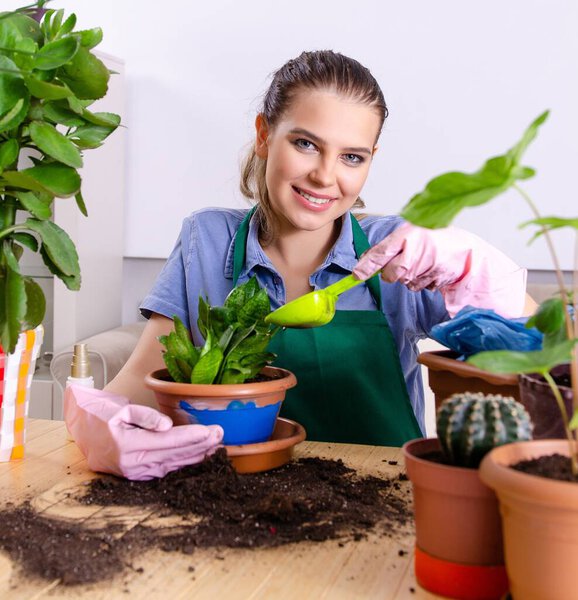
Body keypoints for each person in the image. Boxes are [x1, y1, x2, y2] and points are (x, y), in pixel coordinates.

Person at [65, 50, 535, 480]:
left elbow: (541, 352)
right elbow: (142, 384)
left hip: (383, 505)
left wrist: (479, 270)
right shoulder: (207, 240)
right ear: (265, 135)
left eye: (352, 156)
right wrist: (94, 426)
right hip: (234, 499)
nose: (325, 175)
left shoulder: (399, 253)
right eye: (306, 144)